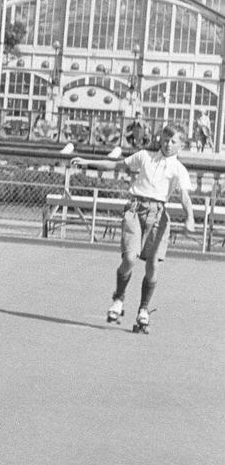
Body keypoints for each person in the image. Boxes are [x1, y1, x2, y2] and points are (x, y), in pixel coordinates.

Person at [72, 121, 196, 334]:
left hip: (158, 215)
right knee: (129, 258)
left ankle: (143, 310)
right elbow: (117, 165)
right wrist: (87, 162)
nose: (168, 144)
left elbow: (184, 196)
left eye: (173, 141)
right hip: (135, 209)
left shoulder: (179, 169)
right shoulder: (144, 156)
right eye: (165, 139)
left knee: (152, 266)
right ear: (160, 139)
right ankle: (118, 299)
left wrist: (190, 218)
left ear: (180, 145)